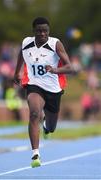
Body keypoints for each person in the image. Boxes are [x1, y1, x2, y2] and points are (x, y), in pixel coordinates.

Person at [13, 17, 74, 168]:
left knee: (51, 127)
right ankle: (35, 154)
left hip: (53, 89)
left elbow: (70, 68)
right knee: (34, 113)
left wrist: (55, 70)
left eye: (45, 31)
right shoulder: (26, 42)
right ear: (33, 31)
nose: (42, 34)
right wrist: (17, 72)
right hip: (35, 85)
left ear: (49, 31)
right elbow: (22, 54)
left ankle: (47, 126)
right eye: (39, 31)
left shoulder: (55, 44)